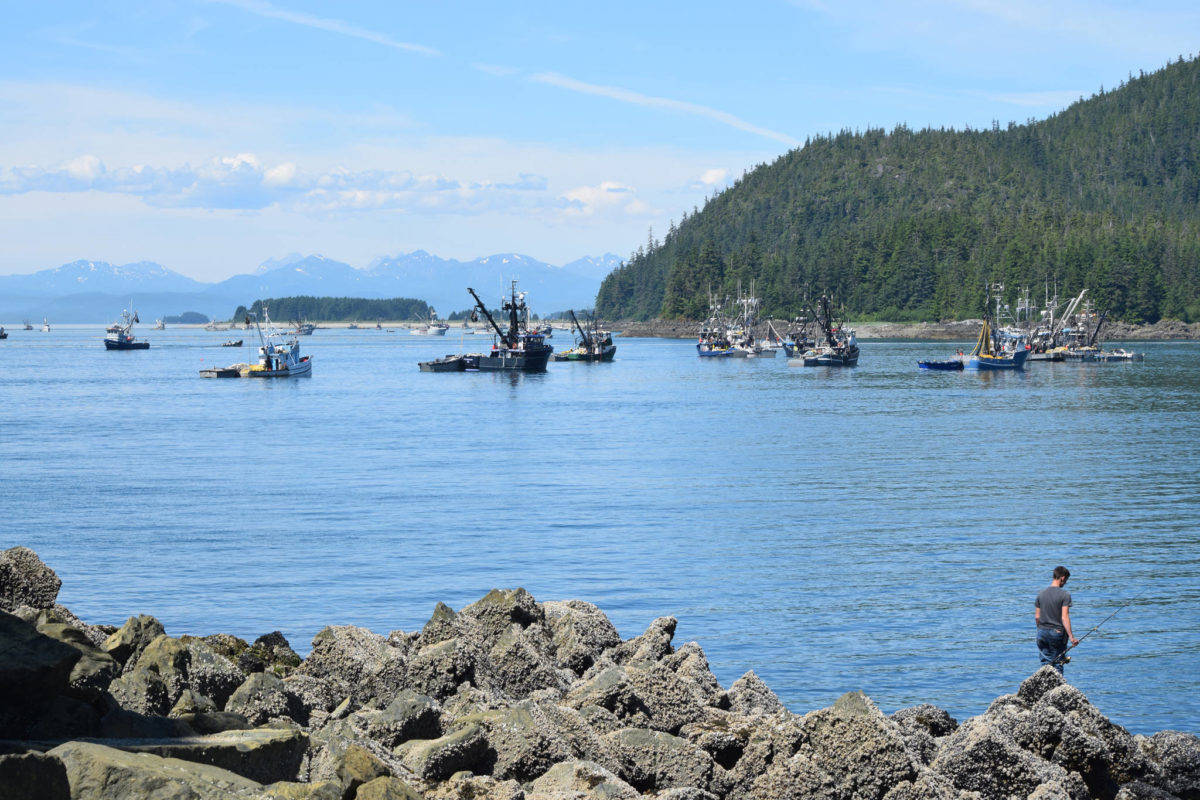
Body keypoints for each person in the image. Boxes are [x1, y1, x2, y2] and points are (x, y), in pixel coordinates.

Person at [1035, 566, 1079, 673]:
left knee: (1045, 664)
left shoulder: (1041, 594)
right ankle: (1056, 688)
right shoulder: (1065, 595)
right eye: (1066, 581)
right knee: (1058, 663)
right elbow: (1064, 617)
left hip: (1041, 632)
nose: (1065, 583)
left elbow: (1037, 617)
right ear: (1062, 578)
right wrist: (1072, 637)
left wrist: (1041, 630)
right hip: (1057, 633)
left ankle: (1045, 686)